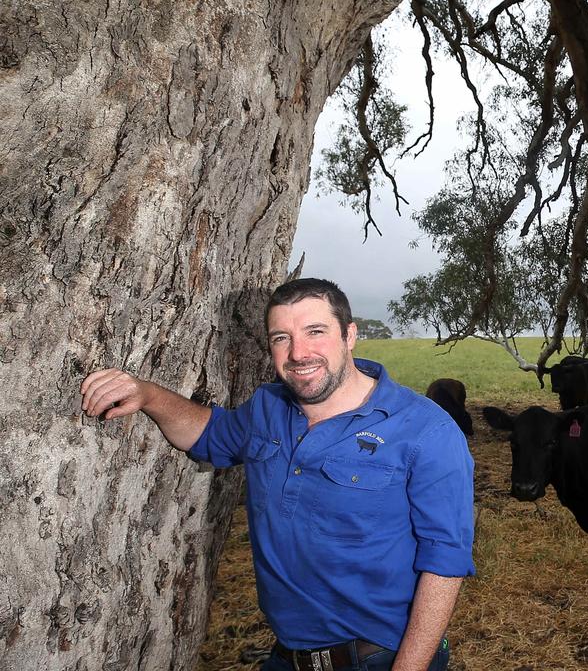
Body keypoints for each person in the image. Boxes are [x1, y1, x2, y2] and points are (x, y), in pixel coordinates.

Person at [80, 278, 474, 671]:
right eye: (281, 338)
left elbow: (445, 562)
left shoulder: (426, 431)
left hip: (379, 658)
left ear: (349, 335)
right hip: (289, 657)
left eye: (315, 332)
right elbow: (207, 434)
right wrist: (147, 394)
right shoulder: (267, 407)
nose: (299, 353)